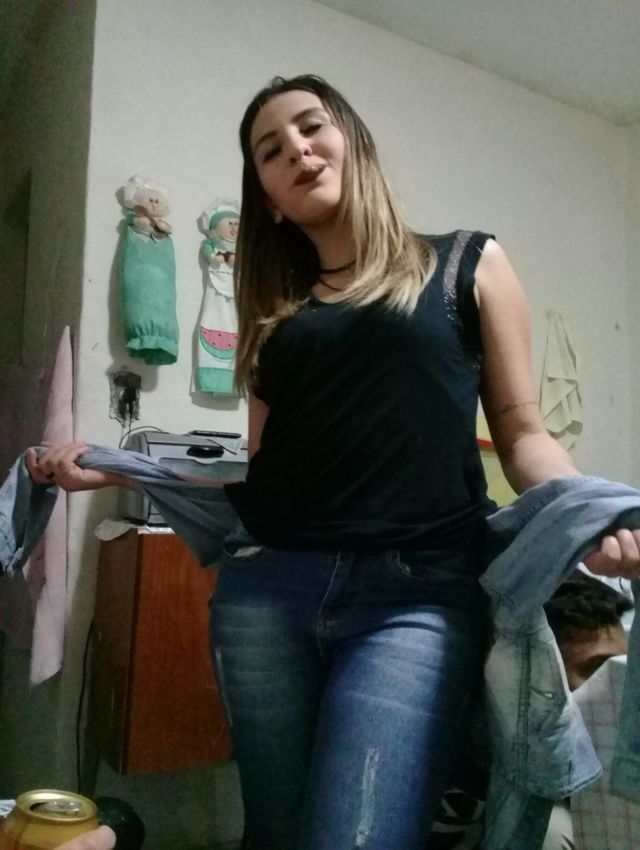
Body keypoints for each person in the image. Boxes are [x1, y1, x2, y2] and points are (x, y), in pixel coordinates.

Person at [26, 75, 640, 850]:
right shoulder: (272, 315)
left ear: (354, 141)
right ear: (271, 199)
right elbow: (265, 478)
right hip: (265, 594)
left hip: (417, 598)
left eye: (311, 127)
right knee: (276, 831)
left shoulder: (468, 262)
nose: (297, 150)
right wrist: (119, 470)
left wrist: (587, 512)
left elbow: (521, 432)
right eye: (271, 151)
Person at [426, 570, 633, 849]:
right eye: (598, 669)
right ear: (539, 671)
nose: (614, 687)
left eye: (621, 672)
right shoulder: (437, 729)